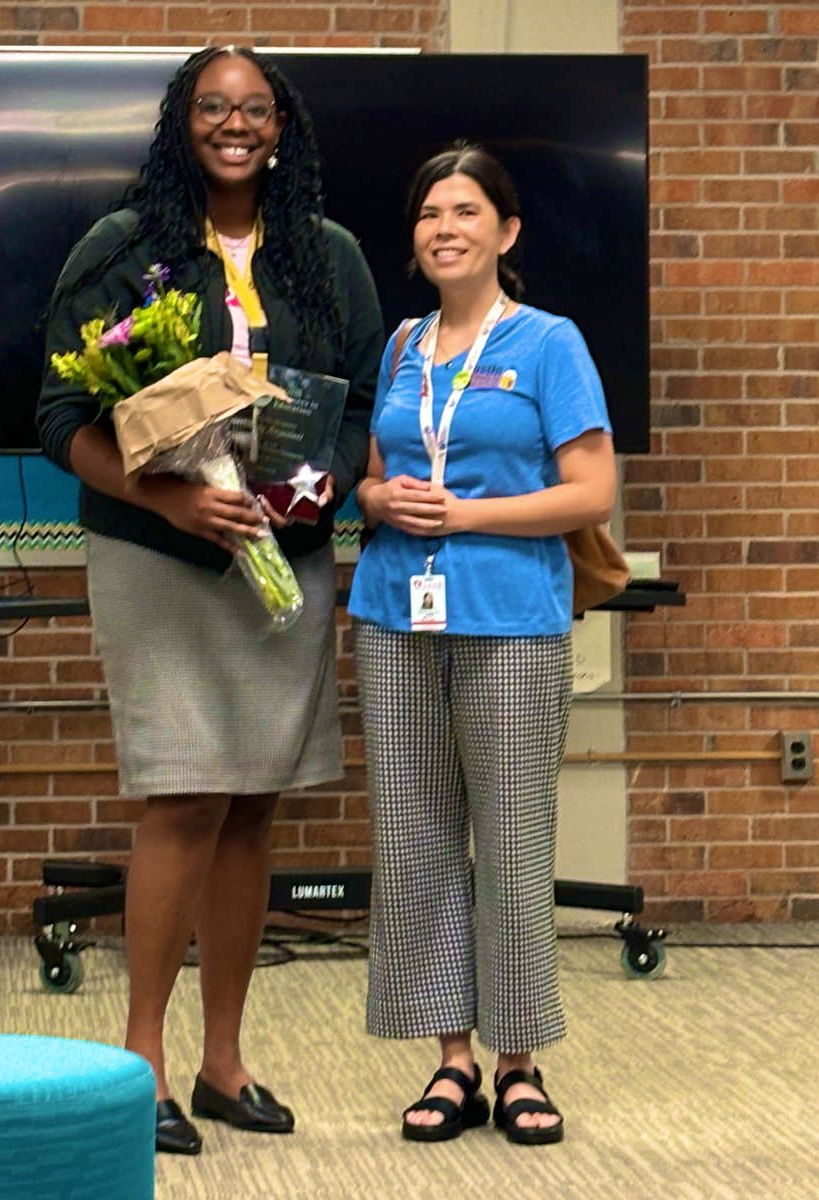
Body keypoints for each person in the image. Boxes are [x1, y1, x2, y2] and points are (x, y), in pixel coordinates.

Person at [37, 46, 383, 1156]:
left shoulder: (329, 256)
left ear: (281, 129)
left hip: (285, 554)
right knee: (183, 795)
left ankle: (224, 1061)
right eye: (212, 108)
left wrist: (311, 493)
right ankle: (141, 1059)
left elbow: (365, 398)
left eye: (255, 110)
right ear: (182, 123)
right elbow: (61, 414)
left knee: (253, 804)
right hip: (160, 554)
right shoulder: (123, 248)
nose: (234, 125)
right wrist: (172, 502)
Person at [348, 143, 617, 1146]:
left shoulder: (550, 342)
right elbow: (374, 477)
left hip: (511, 617)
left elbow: (592, 493)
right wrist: (378, 497)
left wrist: (465, 518)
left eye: (465, 211)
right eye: (428, 214)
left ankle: (518, 1063)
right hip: (393, 614)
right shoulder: (403, 346)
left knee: (509, 840)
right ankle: (451, 1060)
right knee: (415, 838)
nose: (443, 227)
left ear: (505, 233)